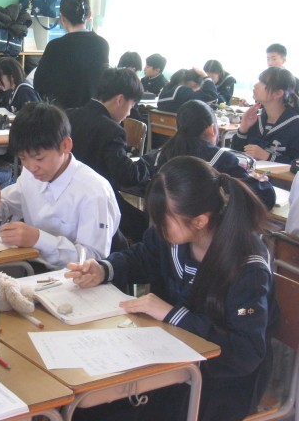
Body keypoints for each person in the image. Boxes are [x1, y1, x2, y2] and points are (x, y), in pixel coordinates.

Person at [67, 156, 278, 421]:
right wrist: (104, 269)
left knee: (106, 411)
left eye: (163, 218)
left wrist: (171, 314)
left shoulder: (248, 267)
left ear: (199, 221)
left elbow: (245, 353)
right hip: (173, 354)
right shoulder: (174, 235)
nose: (157, 226)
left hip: (220, 382)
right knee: (87, 402)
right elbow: (143, 257)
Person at [0, 102, 120, 268]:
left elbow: (94, 260)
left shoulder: (94, 191)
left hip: (73, 277)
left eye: (39, 158)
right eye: (23, 158)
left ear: (65, 146)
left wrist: (39, 240)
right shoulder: (30, 174)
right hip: (31, 267)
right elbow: (5, 209)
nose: (31, 167)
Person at [142, 99, 276, 209]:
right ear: (212, 129)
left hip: (163, 227)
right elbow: (266, 198)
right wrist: (260, 182)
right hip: (206, 230)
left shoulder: (161, 154)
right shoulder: (222, 159)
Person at [67, 67, 151, 242]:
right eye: (131, 105)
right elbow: (126, 176)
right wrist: (150, 161)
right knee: (146, 226)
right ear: (120, 100)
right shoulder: (112, 130)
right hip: (97, 203)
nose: (129, 113)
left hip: (66, 199)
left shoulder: (69, 115)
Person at [34, 0, 109, 109]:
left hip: (62, 114)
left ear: (62, 18)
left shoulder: (54, 46)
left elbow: (39, 84)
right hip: (93, 113)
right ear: (89, 15)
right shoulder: (102, 45)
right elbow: (104, 83)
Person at [232, 67, 299, 164]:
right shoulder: (256, 119)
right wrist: (243, 129)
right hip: (251, 173)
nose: (255, 85)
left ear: (278, 93)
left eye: (262, 82)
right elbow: (236, 155)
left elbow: (296, 163)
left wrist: (268, 156)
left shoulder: (295, 124)